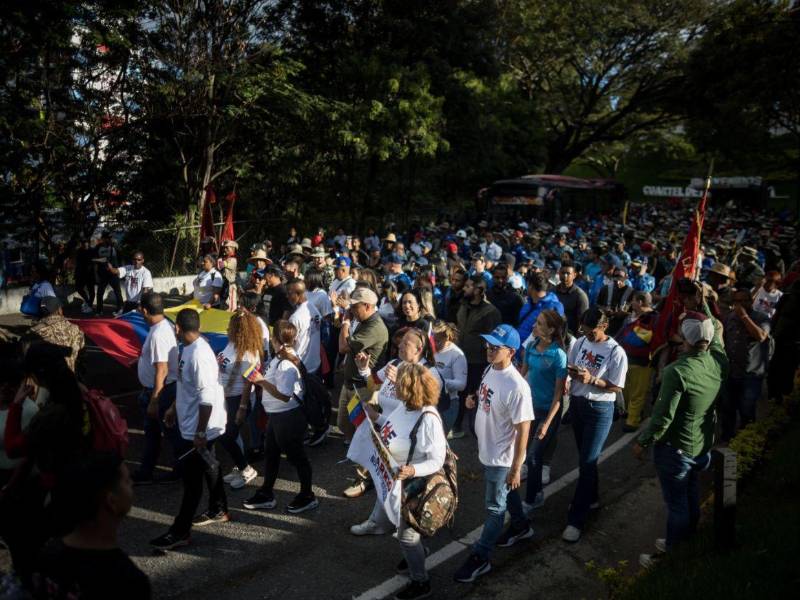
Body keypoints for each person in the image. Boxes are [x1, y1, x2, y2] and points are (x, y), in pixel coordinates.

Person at [633, 311, 727, 567]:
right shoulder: (717, 361)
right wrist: (704, 304)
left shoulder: (678, 371)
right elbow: (716, 339)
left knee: (677, 506)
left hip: (676, 450)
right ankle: (685, 540)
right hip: (701, 447)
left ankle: (672, 556)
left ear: (684, 337)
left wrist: (643, 441)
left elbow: (662, 417)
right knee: (690, 496)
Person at [360, 363, 447, 600]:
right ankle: (418, 553)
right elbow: (393, 425)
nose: (393, 386)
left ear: (410, 388)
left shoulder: (428, 418)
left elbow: (437, 460)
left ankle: (421, 582)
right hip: (398, 482)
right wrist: (375, 416)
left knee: (407, 536)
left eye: (399, 383)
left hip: (415, 486)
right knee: (405, 535)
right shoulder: (405, 407)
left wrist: (412, 470)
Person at [454, 324, 533, 583]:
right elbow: (486, 395)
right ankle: (521, 527)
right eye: (487, 344)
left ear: (510, 352)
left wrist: (515, 468)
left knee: (494, 509)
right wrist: (473, 400)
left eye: (494, 347)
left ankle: (481, 556)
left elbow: (524, 430)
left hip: (502, 459)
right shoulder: (490, 369)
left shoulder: (517, 386)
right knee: (505, 496)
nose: (488, 349)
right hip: (487, 450)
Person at [150, 308, 228, 550]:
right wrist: (174, 407)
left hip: (197, 428)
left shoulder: (199, 355)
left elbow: (206, 398)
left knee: (192, 482)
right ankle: (219, 508)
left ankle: (180, 531)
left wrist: (201, 432)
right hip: (190, 423)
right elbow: (187, 387)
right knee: (209, 465)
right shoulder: (189, 349)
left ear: (178, 328)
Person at [31, 453, 151, 600]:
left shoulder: (46, 556)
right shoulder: (127, 581)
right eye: (126, 481)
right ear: (111, 501)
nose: (131, 483)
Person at [346, 327, 436, 501]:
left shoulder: (428, 373)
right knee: (383, 478)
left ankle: (398, 521)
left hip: (405, 440)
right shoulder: (395, 363)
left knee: (395, 487)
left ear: (419, 349)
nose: (400, 346)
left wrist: (399, 385)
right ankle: (376, 514)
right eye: (400, 342)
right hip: (384, 429)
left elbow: (422, 413)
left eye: (405, 343)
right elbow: (374, 384)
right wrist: (364, 369)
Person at [562, 307, 628, 543]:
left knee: (587, 462)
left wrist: (593, 380)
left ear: (604, 327)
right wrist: (571, 376)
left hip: (600, 410)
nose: (587, 336)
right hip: (578, 405)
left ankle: (576, 519)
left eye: (592, 333)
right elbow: (569, 367)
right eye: (584, 331)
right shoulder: (579, 343)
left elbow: (617, 386)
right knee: (586, 458)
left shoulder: (616, 352)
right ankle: (593, 497)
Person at [243, 320, 319, 514]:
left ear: (275, 339)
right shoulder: (282, 356)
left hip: (288, 417)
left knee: (296, 456)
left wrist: (260, 382)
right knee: (272, 454)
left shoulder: (285, 362)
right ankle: (267, 492)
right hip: (278, 416)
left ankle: (307, 495)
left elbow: (284, 395)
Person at [518, 310, 567, 511]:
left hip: (549, 412)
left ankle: (531, 500)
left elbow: (558, 395)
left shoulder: (559, 355)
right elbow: (521, 379)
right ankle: (537, 492)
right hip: (531, 409)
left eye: (539, 324)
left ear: (551, 329)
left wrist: (547, 423)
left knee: (533, 457)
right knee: (529, 456)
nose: (534, 326)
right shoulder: (530, 347)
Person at [130, 292, 180, 485]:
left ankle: (179, 470)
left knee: (168, 433)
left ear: (144, 310)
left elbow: (162, 369)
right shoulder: (162, 326)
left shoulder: (159, 333)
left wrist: (154, 400)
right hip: (159, 391)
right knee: (154, 434)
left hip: (160, 392)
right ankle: (147, 470)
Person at [337, 286, 389, 448]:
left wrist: (345, 322)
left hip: (364, 387)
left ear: (367, 306)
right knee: (343, 423)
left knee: (364, 428)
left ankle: (363, 457)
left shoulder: (374, 327)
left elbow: (343, 347)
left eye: (354, 306)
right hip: (351, 383)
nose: (351, 310)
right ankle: (355, 446)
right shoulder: (364, 321)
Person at [217, 311, 262, 490]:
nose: (227, 328)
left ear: (239, 331)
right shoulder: (231, 344)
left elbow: (247, 383)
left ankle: (246, 468)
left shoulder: (248, 354)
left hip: (237, 400)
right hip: (226, 398)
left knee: (226, 436)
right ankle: (239, 466)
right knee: (232, 437)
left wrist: (242, 408)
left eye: (231, 327)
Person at [453, 275, 501, 438]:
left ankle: (479, 433)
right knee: (460, 394)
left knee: (473, 396)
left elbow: (492, 341)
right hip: (460, 359)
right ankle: (457, 426)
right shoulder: (463, 305)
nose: (464, 288)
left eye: (468, 286)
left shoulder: (490, 312)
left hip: (478, 362)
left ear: (479, 290)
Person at [721, 287, 771, 440]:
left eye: (743, 301)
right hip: (731, 372)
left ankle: (746, 440)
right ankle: (727, 439)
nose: (740, 304)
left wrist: (744, 316)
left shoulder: (761, 317)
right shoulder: (729, 318)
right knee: (728, 407)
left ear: (751, 301)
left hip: (751, 373)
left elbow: (761, 336)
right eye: (737, 301)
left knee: (747, 409)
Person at [615, 291, 658, 431]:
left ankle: (632, 421)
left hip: (643, 362)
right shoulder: (633, 318)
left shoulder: (653, 318)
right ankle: (628, 413)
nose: (631, 304)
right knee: (627, 390)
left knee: (637, 393)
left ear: (639, 302)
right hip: (629, 360)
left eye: (633, 301)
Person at [23, 296, 85, 373]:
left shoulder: (33, 332)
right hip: (68, 379)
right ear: (59, 310)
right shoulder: (75, 329)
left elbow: (24, 356)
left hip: (43, 381)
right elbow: (81, 350)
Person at [432, 320, 467, 434]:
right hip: (431, 401)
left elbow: (461, 384)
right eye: (432, 340)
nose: (434, 344)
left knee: (439, 440)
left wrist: (439, 381)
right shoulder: (432, 349)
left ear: (447, 338)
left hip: (448, 404)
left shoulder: (456, 355)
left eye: (437, 341)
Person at [517, 272, 565, 347]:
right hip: (517, 350)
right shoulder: (527, 304)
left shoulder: (553, 308)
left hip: (533, 354)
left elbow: (554, 336)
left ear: (531, 286)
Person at [287, 279, 322, 375]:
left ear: (298, 294)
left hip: (302, 367)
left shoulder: (295, 318)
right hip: (315, 364)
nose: (287, 296)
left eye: (289, 293)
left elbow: (290, 344)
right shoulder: (313, 309)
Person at [555, 263, 589, 336]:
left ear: (574, 275)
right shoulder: (553, 291)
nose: (565, 276)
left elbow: (583, 322)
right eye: (563, 273)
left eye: (568, 273)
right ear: (559, 273)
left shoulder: (580, 296)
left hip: (568, 336)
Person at [94, 231, 124, 315]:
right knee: (100, 293)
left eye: (110, 238)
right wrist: (96, 274)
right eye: (107, 238)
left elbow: (121, 259)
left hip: (113, 273)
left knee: (117, 292)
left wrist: (120, 271)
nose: (109, 240)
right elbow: (94, 260)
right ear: (103, 239)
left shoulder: (114, 247)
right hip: (103, 274)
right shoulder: (98, 247)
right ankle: (99, 310)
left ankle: (120, 309)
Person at [487, 262, 524, 327]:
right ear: (492, 277)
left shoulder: (516, 298)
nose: (500, 280)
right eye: (497, 277)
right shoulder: (487, 294)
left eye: (503, 277)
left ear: (507, 278)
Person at [74, 237, 96, 314]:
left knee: (92, 291)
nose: (85, 244)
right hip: (81, 274)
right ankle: (87, 301)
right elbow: (77, 263)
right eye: (83, 243)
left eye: (86, 242)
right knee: (78, 288)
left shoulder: (92, 251)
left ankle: (89, 305)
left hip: (90, 274)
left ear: (88, 243)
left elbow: (96, 261)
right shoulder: (79, 251)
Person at [218, 240, 239, 311]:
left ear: (233, 249)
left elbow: (220, 265)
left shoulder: (233, 260)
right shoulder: (225, 259)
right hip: (224, 285)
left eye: (227, 248)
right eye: (224, 248)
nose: (225, 249)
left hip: (230, 286)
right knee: (223, 304)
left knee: (231, 307)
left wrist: (220, 259)